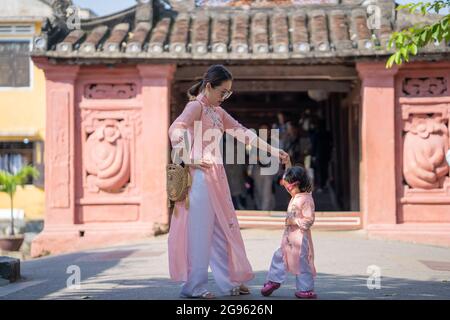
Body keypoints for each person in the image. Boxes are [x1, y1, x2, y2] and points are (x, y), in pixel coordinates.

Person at [168, 65, 290, 299]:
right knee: (200, 233)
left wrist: (274, 151)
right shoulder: (196, 107)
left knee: (222, 231)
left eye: (228, 93)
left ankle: (228, 283)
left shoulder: (216, 112)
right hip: (201, 177)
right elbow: (176, 128)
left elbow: (244, 133)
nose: (224, 97)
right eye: (222, 92)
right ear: (208, 87)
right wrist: (187, 157)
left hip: (216, 176)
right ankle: (194, 287)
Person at [261, 164, 317, 299]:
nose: (288, 190)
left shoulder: (306, 199)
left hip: (301, 238)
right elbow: (289, 170)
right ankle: (274, 280)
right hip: (288, 238)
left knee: (302, 262)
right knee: (279, 256)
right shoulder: (296, 196)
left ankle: (305, 289)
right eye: (286, 187)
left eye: (289, 187)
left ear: (298, 184)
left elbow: (309, 220)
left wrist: (295, 221)